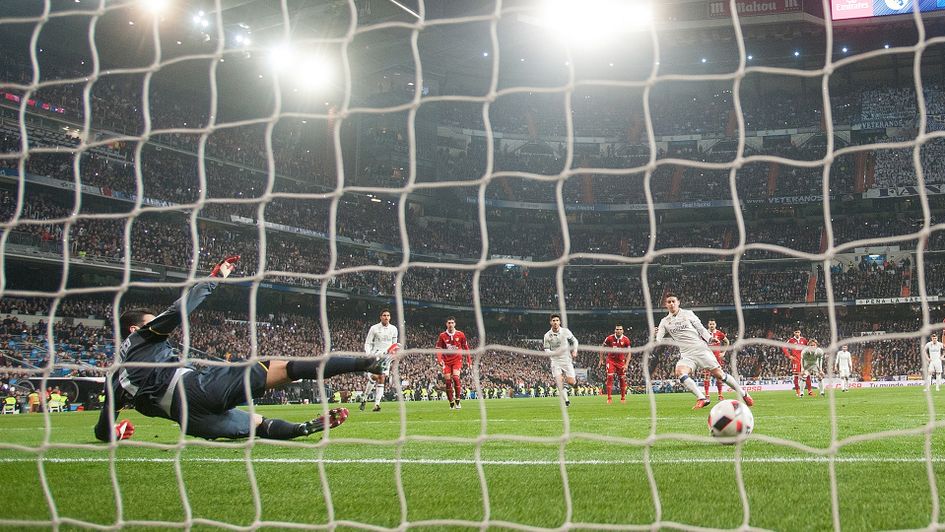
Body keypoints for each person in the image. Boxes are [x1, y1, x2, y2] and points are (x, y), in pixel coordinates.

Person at [93, 256, 383, 443]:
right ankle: (365, 363)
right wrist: (214, 279)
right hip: (196, 389)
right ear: (135, 329)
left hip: (191, 421)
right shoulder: (143, 337)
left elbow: (102, 431)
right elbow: (177, 311)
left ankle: (302, 428)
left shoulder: (115, 377)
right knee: (285, 369)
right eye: (149, 321)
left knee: (258, 425)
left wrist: (117, 432)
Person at [654, 293, 754, 409]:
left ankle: (744, 394)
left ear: (678, 302)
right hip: (687, 354)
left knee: (720, 375)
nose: (671, 304)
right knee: (680, 372)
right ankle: (701, 398)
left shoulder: (688, 314)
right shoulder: (664, 321)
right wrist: (656, 334)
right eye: (669, 302)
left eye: (673, 301)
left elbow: (701, 328)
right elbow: (659, 340)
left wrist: (709, 338)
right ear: (666, 305)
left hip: (700, 349)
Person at [359, 309, 400, 412]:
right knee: (374, 377)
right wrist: (368, 353)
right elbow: (368, 343)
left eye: (388, 315)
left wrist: (394, 354)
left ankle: (376, 404)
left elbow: (394, 344)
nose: (386, 317)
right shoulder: (374, 328)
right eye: (384, 315)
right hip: (375, 355)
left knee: (381, 378)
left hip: (386, 357)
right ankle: (364, 398)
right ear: (380, 317)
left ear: (390, 317)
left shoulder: (394, 329)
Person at [435, 316, 472, 410]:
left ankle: (458, 400)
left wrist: (469, 361)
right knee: (447, 381)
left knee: (455, 378)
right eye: (449, 323)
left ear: (455, 324)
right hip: (446, 361)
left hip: (457, 360)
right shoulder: (442, 335)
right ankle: (451, 401)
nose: (450, 324)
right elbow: (438, 349)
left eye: (452, 323)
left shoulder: (461, 334)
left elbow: (466, 348)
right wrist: (439, 360)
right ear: (446, 324)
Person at [543, 314, 578, 407]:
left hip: (566, 359)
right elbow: (546, 349)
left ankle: (568, 387)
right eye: (553, 320)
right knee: (559, 381)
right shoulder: (547, 335)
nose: (555, 322)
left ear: (560, 322)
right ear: (550, 322)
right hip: (555, 361)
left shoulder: (565, 332)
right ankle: (566, 401)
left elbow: (575, 341)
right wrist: (552, 353)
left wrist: (575, 350)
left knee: (571, 382)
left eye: (557, 320)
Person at [600, 324, 630, 404]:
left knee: (622, 378)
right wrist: (601, 359)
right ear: (615, 330)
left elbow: (629, 352)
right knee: (610, 377)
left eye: (620, 329)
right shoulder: (609, 338)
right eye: (617, 329)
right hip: (611, 361)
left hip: (621, 362)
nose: (618, 331)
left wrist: (626, 364)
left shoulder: (626, 340)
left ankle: (623, 398)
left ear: (623, 331)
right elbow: (602, 347)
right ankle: (609, 398)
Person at [704, 320, 729, 401]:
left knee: (719, 376)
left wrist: (723, 352)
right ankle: (707, 395)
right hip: (707, 358)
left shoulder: (719, 333)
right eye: (710, 324)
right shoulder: (704, 333)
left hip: (717, 358)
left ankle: (720, 395)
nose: (712, 325)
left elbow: (726, 342)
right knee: (706, 376)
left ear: (715, 324)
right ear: (708, 325)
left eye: (713, 324)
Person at [782, 329, 807, 398]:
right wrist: (789, 356)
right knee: (796, 376)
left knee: (805, 375)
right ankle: (798, 392)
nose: (797, 333)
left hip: (803, 360)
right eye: (796, 332)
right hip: (795, 360)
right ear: (794, 333)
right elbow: (784, 347)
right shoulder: (791, 340)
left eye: (798, 332)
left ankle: (807, 391)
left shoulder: (804, 340)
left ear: (800, 332)